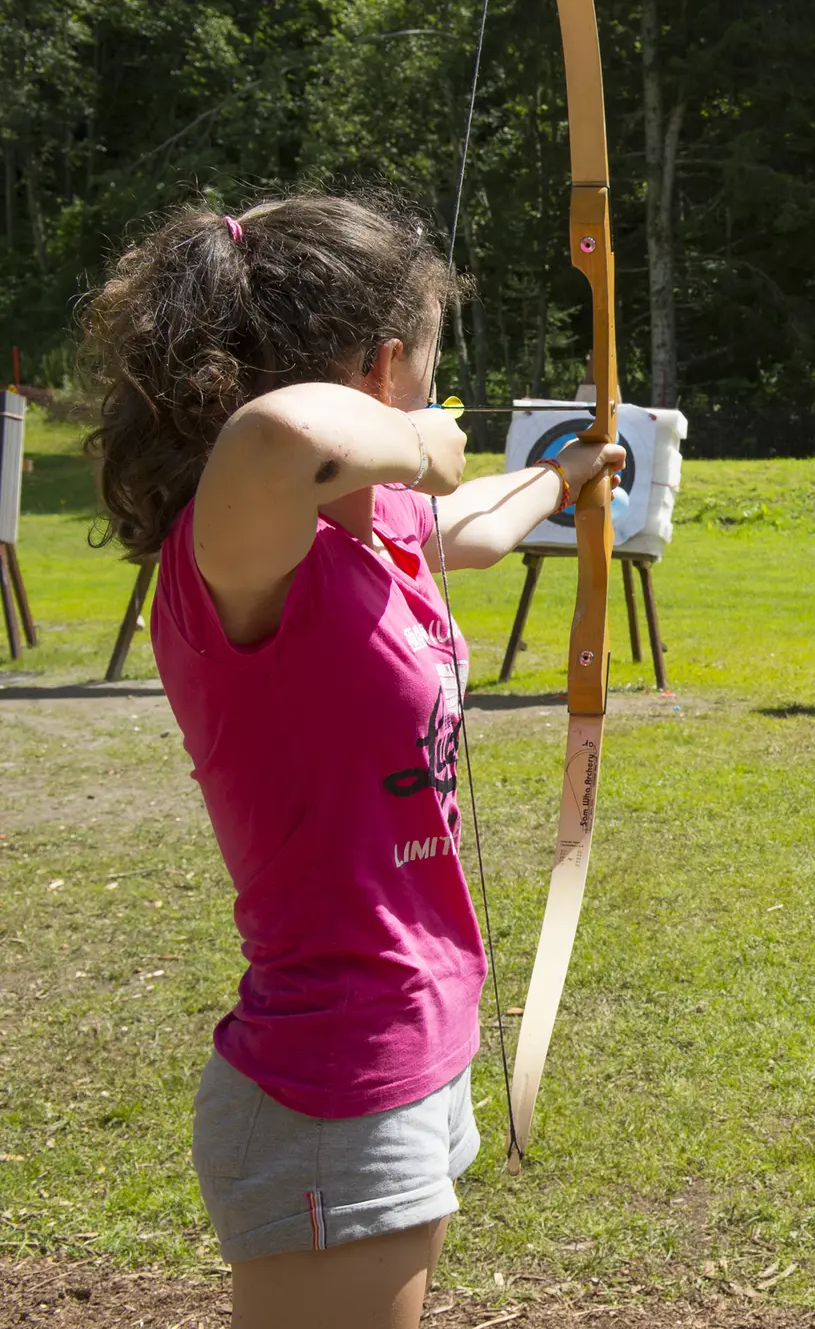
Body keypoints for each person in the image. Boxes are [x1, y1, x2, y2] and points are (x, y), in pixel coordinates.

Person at [82, 194, 624, 1329]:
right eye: (429, 364)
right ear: (383, 366)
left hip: (408, 1037)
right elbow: (280, 436)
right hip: (333, 1075)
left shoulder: (373, 532)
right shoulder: (239, 551)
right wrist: (423, 445)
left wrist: (568, 474)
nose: (439, 397)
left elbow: (473, 527)